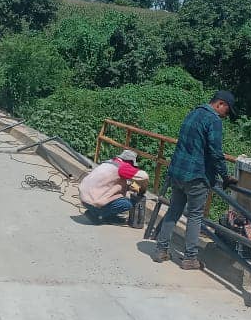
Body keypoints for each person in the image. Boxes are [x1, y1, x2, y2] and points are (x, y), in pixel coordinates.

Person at [154, 90, 237, 269]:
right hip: (196, 175)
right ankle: (190, 258)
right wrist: (225, 176)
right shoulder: (213, 120)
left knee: (173, 211)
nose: (225, 116)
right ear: (220, 104)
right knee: (195, 216)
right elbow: (215, 152)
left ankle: (161, 249)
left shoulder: (194, 112)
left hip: (177, 172)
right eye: (227, 111)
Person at [79, 149, 149, 224]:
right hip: (92, 201)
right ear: (130, 162)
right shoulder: (123, 167)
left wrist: (134, 187)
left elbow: (119, 182)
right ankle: (97, 214)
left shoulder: (109, 162)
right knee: (127, 204)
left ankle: (106, 215)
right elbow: (144, 176)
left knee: (115, 199)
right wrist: (142, 189)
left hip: (83, 197)